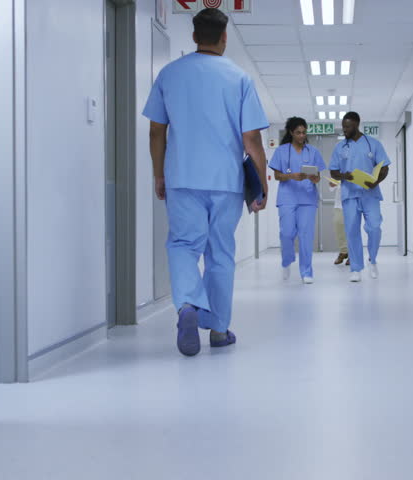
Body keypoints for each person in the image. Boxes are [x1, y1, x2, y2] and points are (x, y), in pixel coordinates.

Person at [142, 8, 269, 357]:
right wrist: (262, 182)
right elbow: (252, 139)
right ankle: (217, 329)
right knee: (221, 254)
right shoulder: (239, 78)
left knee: (184, 244)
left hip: (182, 177)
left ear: (194, 36)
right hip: (226, 181)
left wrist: (158, 173)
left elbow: (156, 131)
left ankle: (186, 305)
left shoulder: (169, 74)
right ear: (224, 37)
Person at [330, 112, 391, 282]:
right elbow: (333, 171)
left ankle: (372, 259)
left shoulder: (373, 144)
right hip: (349, 195)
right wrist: (344, 176)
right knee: (351, 231)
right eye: (343, 126)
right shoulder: (340, 147)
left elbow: (384, 167)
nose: (344, 129)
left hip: (370, 194)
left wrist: (376, 181)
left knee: (374, 227)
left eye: (347, 126)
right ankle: (356, 268)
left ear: (357, 124)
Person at [269, 117, 326, 284]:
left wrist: (315, 179)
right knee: (286, 234)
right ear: (291, 133)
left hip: (308, 198)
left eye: (304, 132)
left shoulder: (313, 152)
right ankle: (286, 261)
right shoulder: (281, 151)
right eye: (298, 132)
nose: (302, 136)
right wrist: (291, 176)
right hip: (287, 197)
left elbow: (318, 176)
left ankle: (307, 272)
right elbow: (277, 175)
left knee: (306, 236)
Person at [328, 178, 350, 265]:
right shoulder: (338, 171)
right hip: (339, 204)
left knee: (351, 230)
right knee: (339, 227)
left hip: (352, 202)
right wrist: (331, 184)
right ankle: (343, 251)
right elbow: (331, 187)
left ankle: (352, 255)